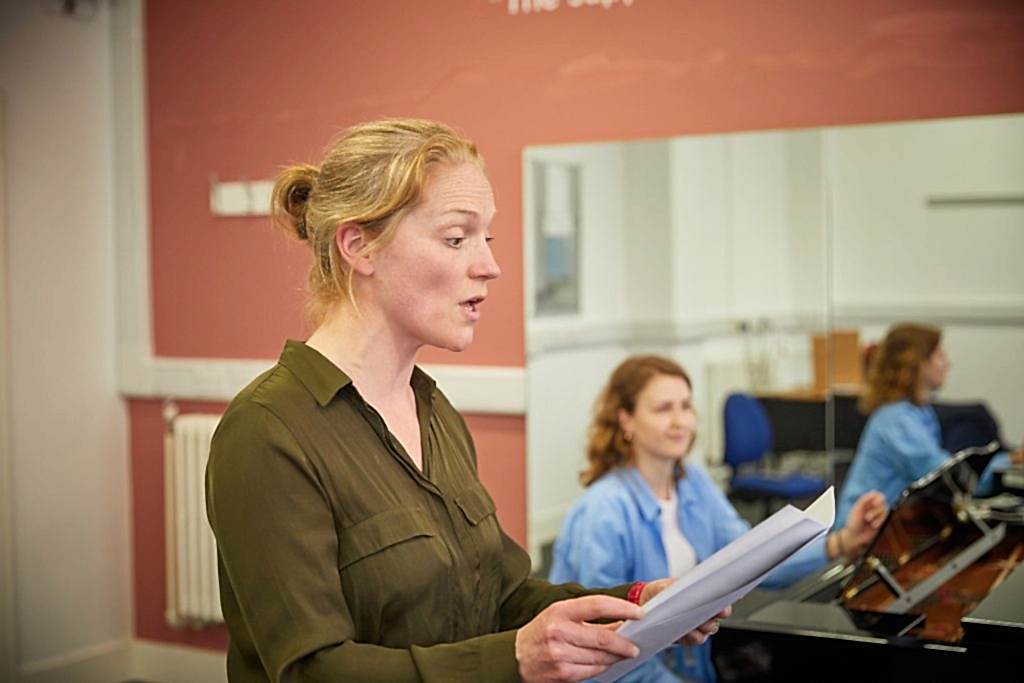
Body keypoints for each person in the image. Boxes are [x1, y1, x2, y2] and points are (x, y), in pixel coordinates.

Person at [205, 119, 725, 683]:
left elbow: (501, 597)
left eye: (487, 239)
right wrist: (513, 659)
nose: (489, 266)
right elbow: (312, 671)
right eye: (457, 238)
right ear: (359, 246)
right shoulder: (268, 431)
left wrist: (636, 604)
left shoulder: (434, 412)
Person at [549, 355, 887, 683]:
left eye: (685, 406)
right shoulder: (603, 511)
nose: (680, 421)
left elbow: (751, 558)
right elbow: (603, 644)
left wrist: (842, 542)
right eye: (663, 409)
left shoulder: (693, 483)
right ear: (626, 420)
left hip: (689, 667)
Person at [836, 323, 1023, 526]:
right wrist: (1009, 461)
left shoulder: (919, 412)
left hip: (887, 528)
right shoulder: (895, 419)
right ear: (918, 363)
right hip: (860, 535)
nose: (947, 364)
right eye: (939, 356)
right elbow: (948, 479)